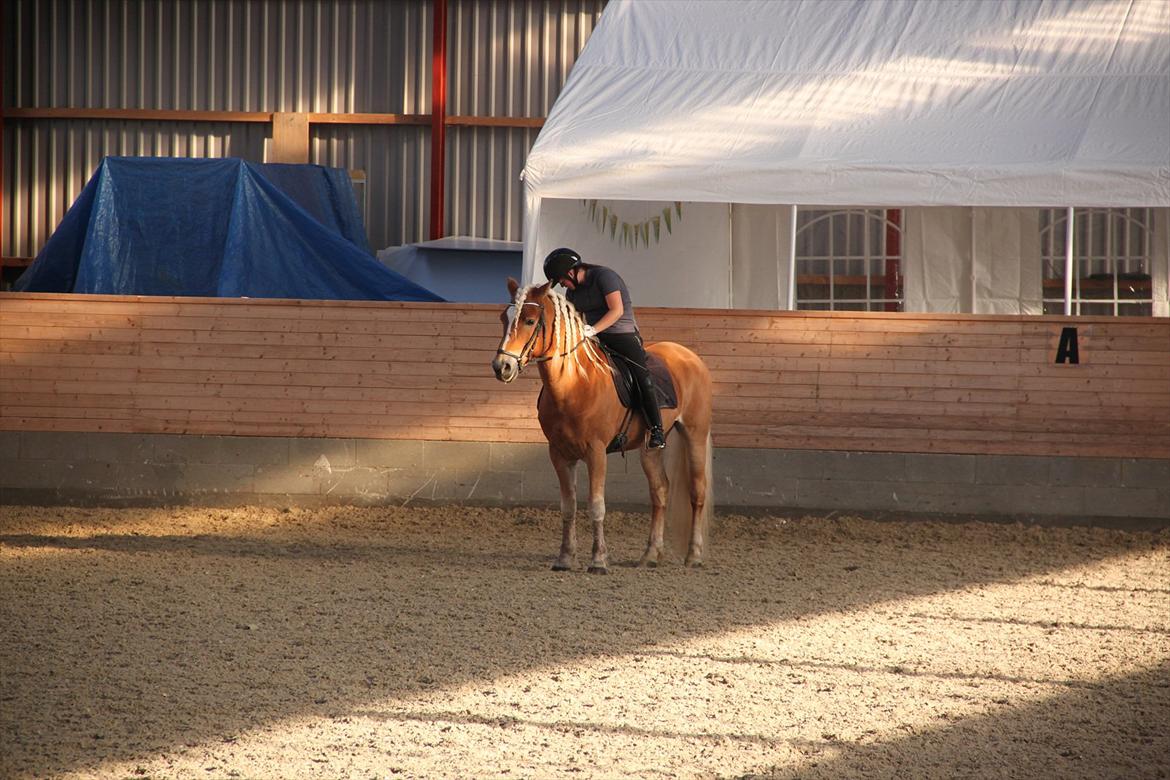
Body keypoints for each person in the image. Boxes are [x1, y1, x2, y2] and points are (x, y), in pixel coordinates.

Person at [543, 247, 666, 449]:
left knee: (641, 374)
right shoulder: (572, 292)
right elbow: (576, 317)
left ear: (571, 272)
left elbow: (616, 310)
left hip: (622, 334)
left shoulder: (604, 276)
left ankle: (656, 429)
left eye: (562, 280)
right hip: (595, 337)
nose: (562, 284)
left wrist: (593, 329)